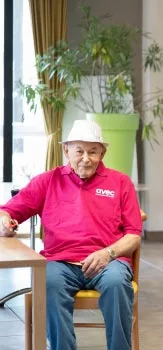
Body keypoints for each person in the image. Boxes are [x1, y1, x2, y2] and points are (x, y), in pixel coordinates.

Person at [0, 120, 142, 350]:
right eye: (79, 151)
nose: (86, 158)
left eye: (93, 151)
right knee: (48, 282)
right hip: (60, 262)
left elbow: (134, 234)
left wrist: (107, 253)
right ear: (66, 150)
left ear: (102, 152)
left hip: (109, 261)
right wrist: (5, 223)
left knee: (117, 283)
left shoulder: (120, 182)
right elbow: (6, 211)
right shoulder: (48, 181)